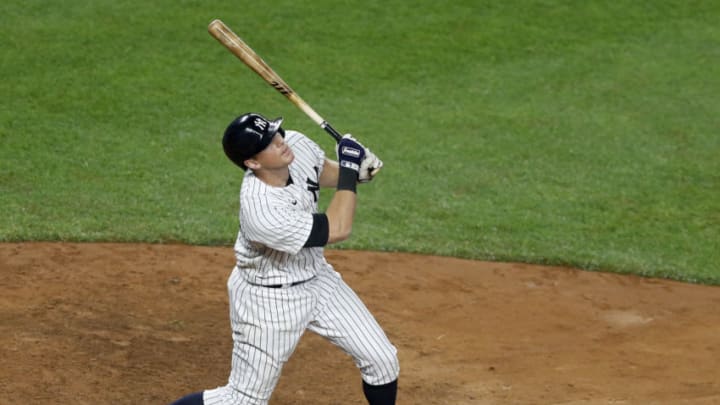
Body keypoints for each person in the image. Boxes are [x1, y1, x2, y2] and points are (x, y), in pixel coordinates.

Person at [171, 113, 399, 405]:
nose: (280, 142)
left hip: (318, 279)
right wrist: (350, 169)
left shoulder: (295, 145)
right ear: (252, 163)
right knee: (242, 400)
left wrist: (358, 171)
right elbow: (338, 228)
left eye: (276, 133)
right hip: (268, 301)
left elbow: (321, 172)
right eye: (269, 143)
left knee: (382, 360)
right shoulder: (261, 209)